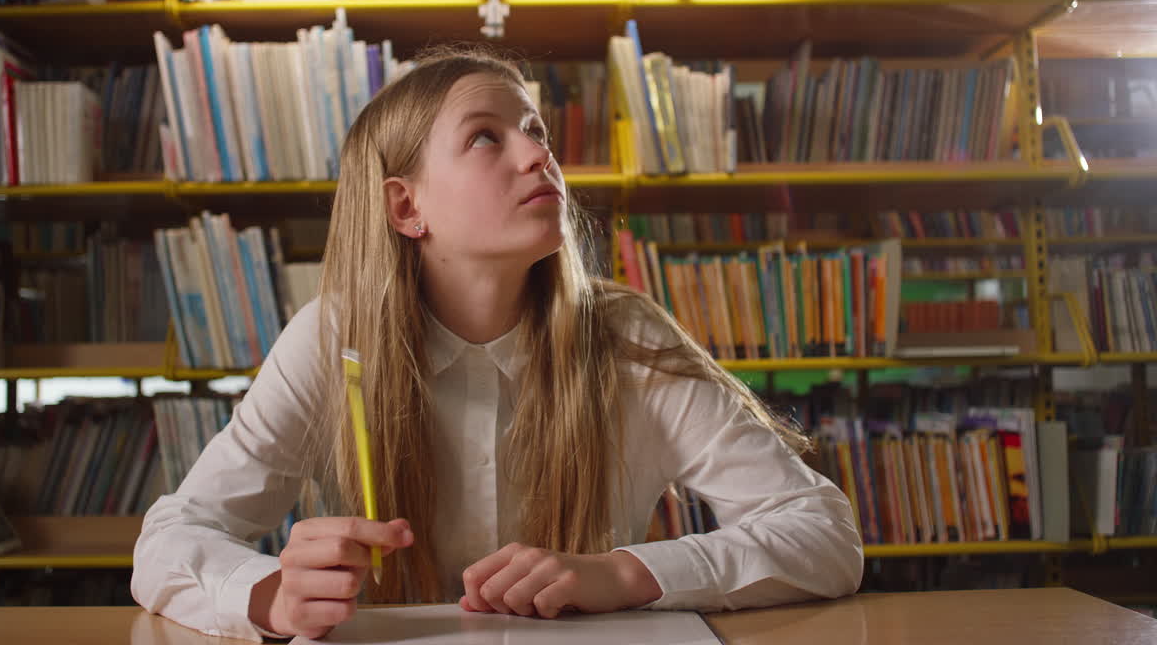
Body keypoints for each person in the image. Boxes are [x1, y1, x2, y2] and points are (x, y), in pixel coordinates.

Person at [131, 46, 864, 642]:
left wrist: (627, 573)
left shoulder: (627, 337)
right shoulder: (332, 339)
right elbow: (169, 540)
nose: (538, 156)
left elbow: (824, 535)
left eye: (537, 131)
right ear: (405, 205)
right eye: (487, 136)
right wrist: (271, 599)